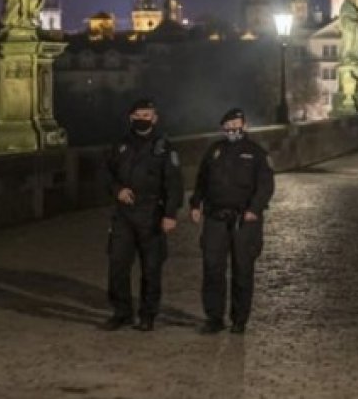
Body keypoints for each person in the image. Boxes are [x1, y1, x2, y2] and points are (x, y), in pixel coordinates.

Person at [100, 98, 183, 332]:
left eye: (147, 115)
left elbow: (174, 183)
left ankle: (148, 314)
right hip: (124, 213)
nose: (143, 119)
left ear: (155, 118)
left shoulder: (164, 147)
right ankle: (121, 312)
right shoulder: (120, 145)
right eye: (139, 115)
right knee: (117, 265)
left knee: (151, 268)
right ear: (131, 117)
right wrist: (117, 190)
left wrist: (170, 214)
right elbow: (106, 174)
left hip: (151, 213)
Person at [190, 108, 274, 335]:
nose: (232, 129)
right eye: (228, 125)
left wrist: (254, 209)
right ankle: (214, 318)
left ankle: (239, 320)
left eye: (236, 124)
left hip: (244, 220)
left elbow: (266, 185)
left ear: (244, 126)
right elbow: (202, 180)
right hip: (215, 218)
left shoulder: (256, 153)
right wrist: (195, 204)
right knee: (212, 269)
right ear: (223, 127)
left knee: (242, 270)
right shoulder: (215, 150)